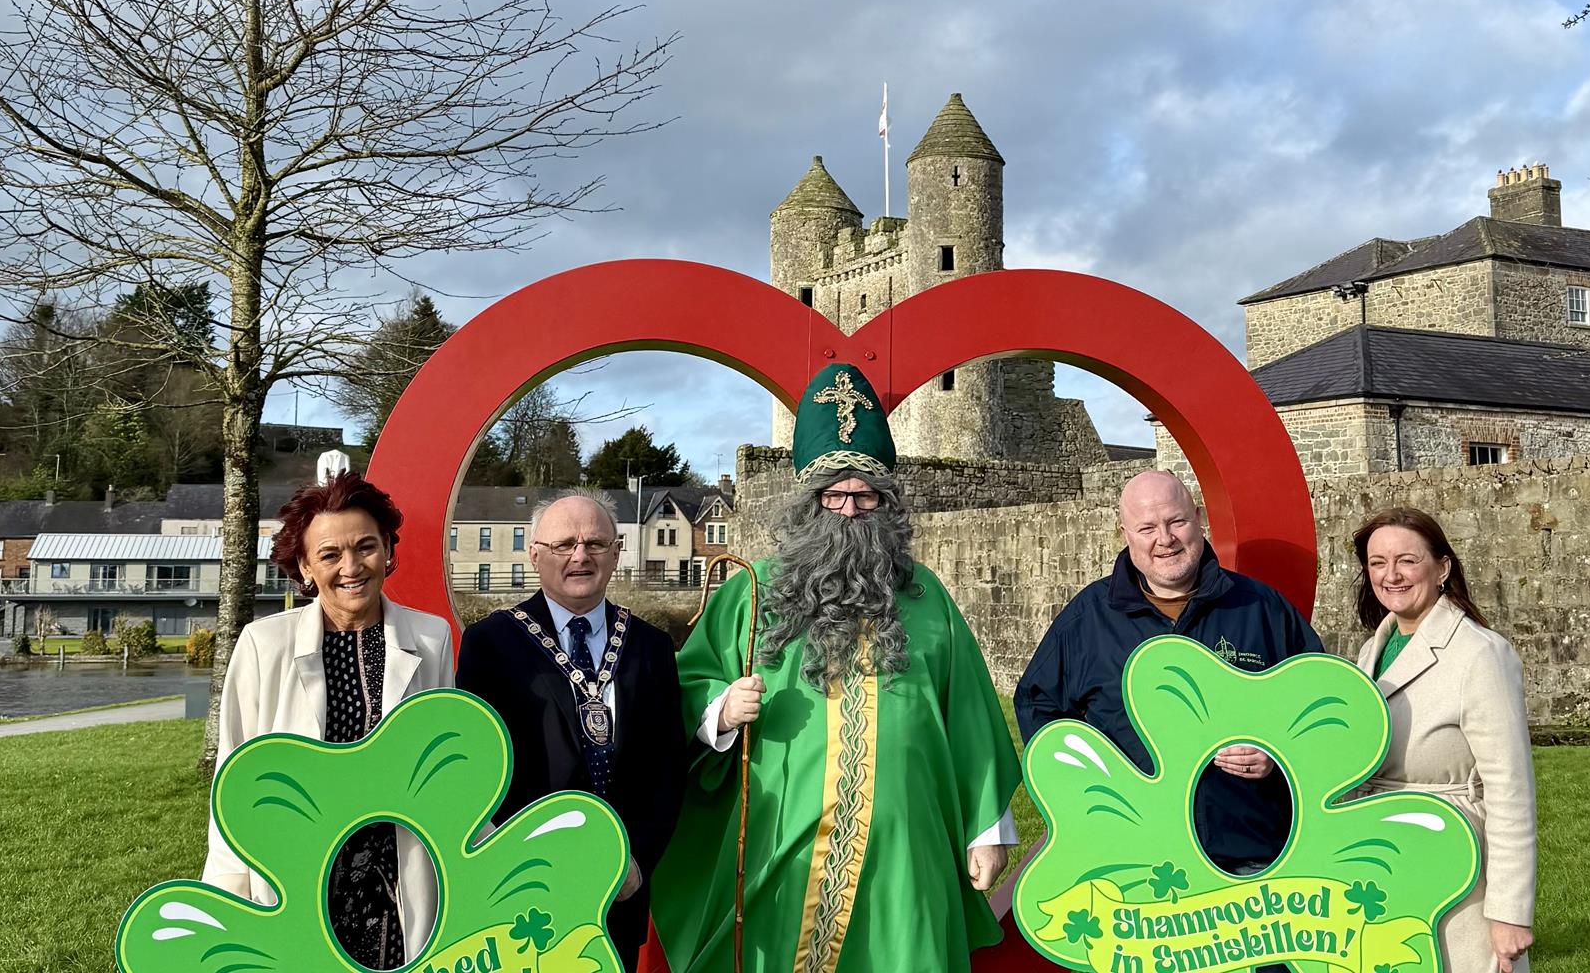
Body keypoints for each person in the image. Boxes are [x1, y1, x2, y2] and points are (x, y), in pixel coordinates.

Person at [652, 363, 1021, 973]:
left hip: (908, 845)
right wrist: (717, 710)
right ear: (807, 502)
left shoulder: (925, 596)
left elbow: (972, 712)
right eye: (833, 494)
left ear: (887, 504)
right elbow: (688, 682)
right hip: (781, 841)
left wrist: (988, 826)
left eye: (865, 494)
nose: (849, 509)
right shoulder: (751, 591)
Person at [1013, 470, 1323, 878]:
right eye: (1147, 528)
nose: (1165, 538)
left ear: (1197, 517)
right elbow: (1039, 708)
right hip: (1132, 862)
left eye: (1176, 522)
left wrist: (1280, 756)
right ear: (1125, 533)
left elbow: (1316, 704)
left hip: (1253, 857)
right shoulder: (1088, 619)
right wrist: (1088, 792)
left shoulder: (1260, 608)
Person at [203, 472, 454, 968]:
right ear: (304, 566)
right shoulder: (262, 644)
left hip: (396, 871)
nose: (351, 567)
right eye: (330, 555)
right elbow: (232, 780)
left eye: (366, 546)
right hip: (299, 872)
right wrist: (229, 893)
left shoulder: (432, 639)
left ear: (388, 549)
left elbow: (445, 770)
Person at [455, 491, 686, 972]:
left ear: (617, 552)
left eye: (596, 543)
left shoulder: (651, 646)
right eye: (564, 545)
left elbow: (667, 770)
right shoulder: (491, 644)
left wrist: (637, 864)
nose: (581, 556)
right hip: (523, 886)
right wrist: (513, 862)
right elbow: (477, 772)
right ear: (535, 553)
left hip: (618, 888)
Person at [1350, 507, 1535, 973]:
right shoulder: (1370, 651)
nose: (1391, 575)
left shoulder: (1481, 655)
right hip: (1381, 864)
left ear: (1443, 568)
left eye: (1407, 561)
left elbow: (1511, 790)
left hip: (1456, 866)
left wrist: (1509, 912)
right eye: (1377, 563)